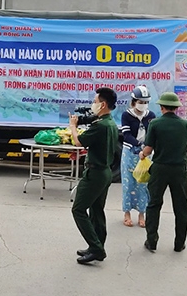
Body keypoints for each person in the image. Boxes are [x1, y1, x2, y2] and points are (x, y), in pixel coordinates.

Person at [68, 87, 118, 265]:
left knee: (78, 209)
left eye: (95, 102)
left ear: (103, 104)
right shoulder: (109, 122)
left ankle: (97, 249)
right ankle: (96, 245)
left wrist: (73, 126)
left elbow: (78, 142)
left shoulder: (101, 125)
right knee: (97, 211)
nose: (93, 105)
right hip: (105, 172)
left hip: (95, 173)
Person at [139, 92, 187, 253]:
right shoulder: (185, 124)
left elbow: (148, 149)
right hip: (179, 169)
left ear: (162, 107)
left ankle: (152, 241)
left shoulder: (155, 124)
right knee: (181, 207)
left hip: (160, 168)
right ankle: (179, 243)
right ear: (176, 108)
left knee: (154, 204)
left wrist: (142, 154)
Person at [120, 86, 156, 228]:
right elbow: (126, 135)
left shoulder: (151, 115)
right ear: (134, 101)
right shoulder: (126, 115)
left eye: (146, 102)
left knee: (143, 184)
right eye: (140, 101)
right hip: (130, 152)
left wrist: (147, 148)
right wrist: (139, 145)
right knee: (128, 184)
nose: (143, 104)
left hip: (146, 154)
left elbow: (152, 134)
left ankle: (142, 214)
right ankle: (127, 213)